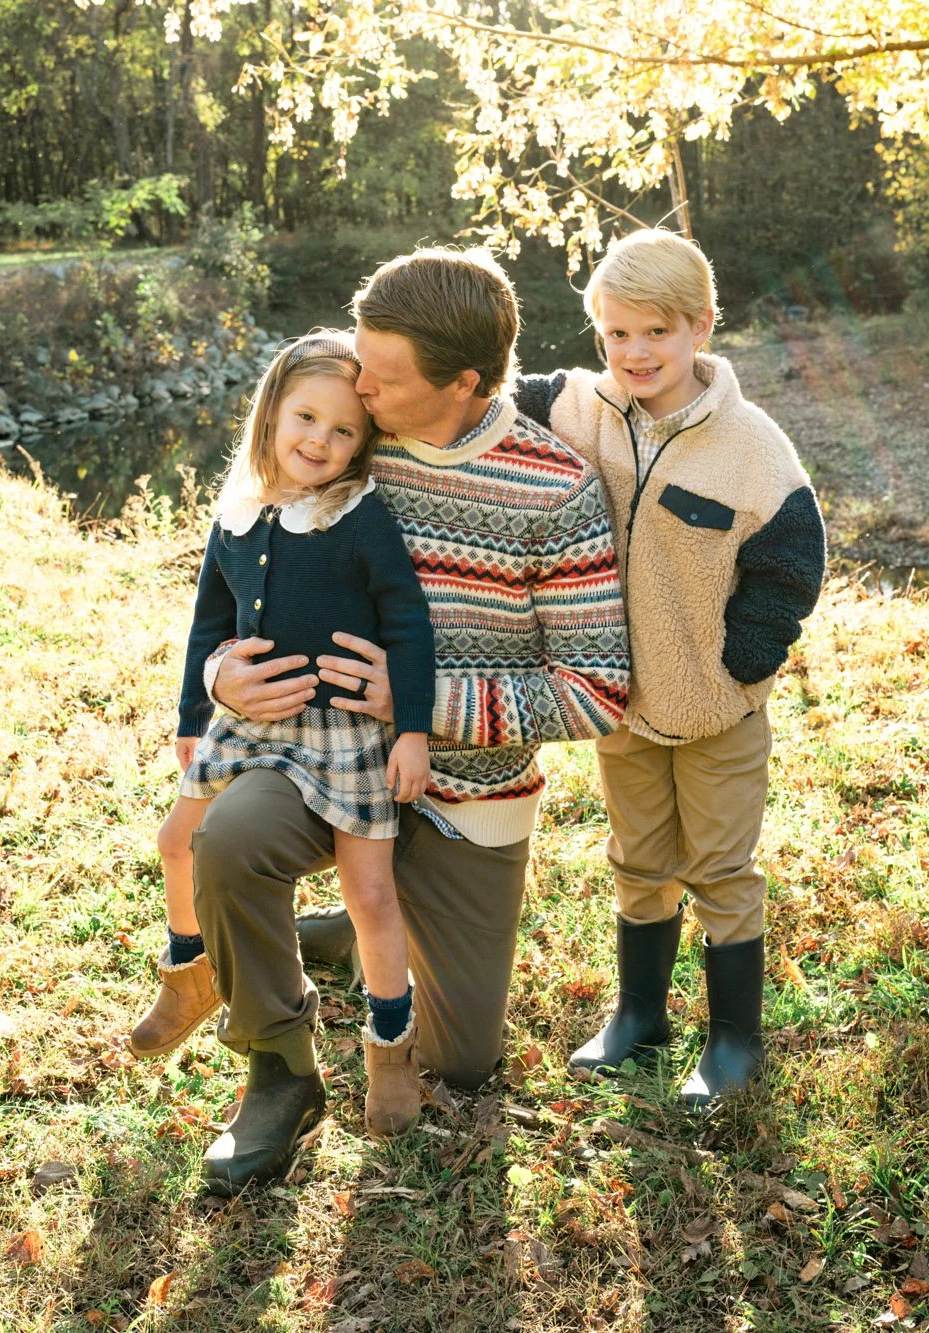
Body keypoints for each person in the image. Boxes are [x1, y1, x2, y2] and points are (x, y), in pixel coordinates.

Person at [195, 247, 631, 1193]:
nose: (357, 389)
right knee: (225, 840)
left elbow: (598, 690)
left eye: (382, 379)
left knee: (461, 1061)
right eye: (358, 361)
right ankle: (278, 1067)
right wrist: (222, 671)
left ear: (464, 382)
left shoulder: (553, 488)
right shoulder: (351, 439)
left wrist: (420, 700)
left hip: (469, 795)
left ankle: (359, 927)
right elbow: (239, 567)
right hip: (323, 759)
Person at [510, 229, 825, 1107]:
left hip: (716, 705)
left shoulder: (752, 447)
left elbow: (792, 563)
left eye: (655, 332)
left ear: (701, 327)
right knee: (638, 856)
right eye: (616, 334)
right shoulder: (577, 407)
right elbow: (480, 390)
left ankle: (733, 1039)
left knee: (721, 867)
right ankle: (640, 1012)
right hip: (619, 699)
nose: (635, 352)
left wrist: (741, 664)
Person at [128, 331, 436, 1137]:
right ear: (271, 412)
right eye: (305, 417)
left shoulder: (359, 516)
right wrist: (194, 717)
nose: (320, 441)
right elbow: (209, 624)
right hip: (250, 725)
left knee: (368, 893)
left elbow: (408, 622)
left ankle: (390, 1045)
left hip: (342, 733)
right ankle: (190, 972)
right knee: (177, 839)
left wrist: (411, 728)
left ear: (363, 444)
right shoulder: (238, 512)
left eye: (344, 432)